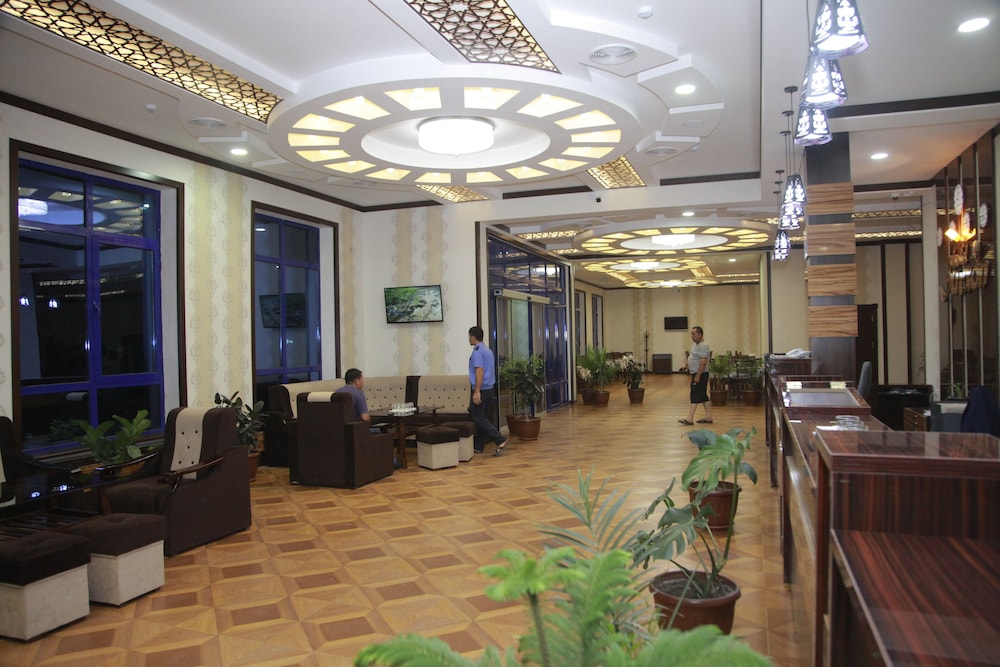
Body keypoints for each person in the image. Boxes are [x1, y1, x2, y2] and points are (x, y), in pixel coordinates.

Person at [468, 326, 508, 456]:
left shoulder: (478, 352)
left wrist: (477, 391)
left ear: (473, 337)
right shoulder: (488, 351)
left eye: (469, 336)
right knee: (482, 417)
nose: (469, 338)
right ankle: (478, 446)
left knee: (477, 417)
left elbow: (479, 371)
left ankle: (499, 439)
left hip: (482, 390)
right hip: (490, 389)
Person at [680, 326, 713, 425]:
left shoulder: (703, 346)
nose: (692, 336)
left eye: (694, 334)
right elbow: (692, 357)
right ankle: (708, 417)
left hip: (701, 374)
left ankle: (690, 419)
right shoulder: (695, 345)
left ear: (700, 334)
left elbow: (703, 362)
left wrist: (698, 376)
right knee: (703, 396)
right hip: (696, 373)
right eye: (691, 334)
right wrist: (685, 365)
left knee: (694, 394)